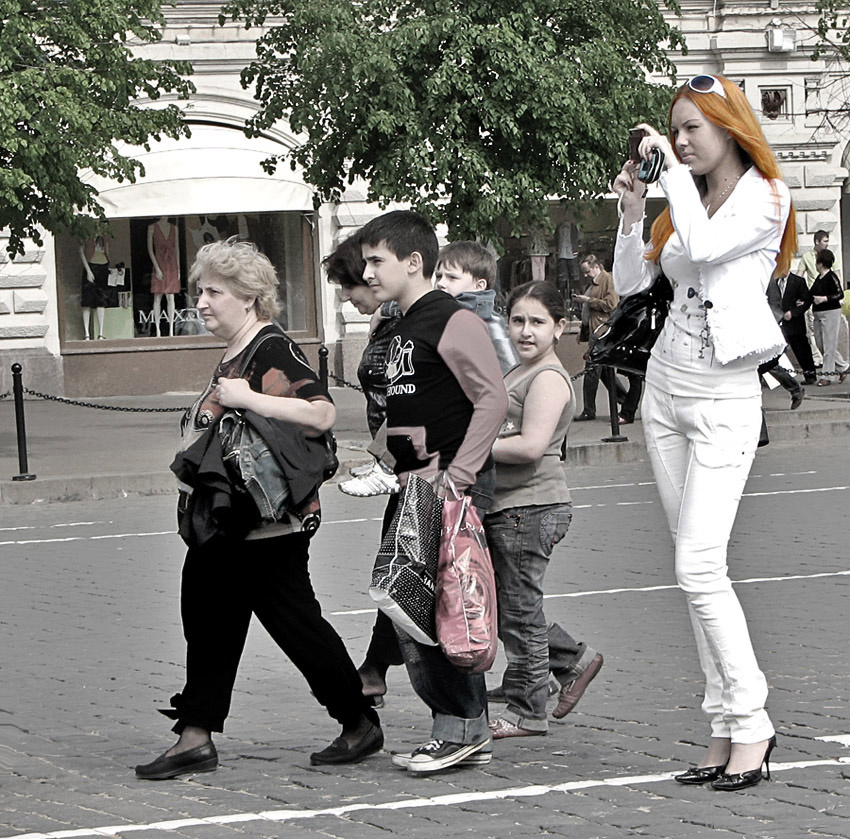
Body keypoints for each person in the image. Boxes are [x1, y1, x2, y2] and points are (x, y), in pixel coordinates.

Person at [135, 238, 381, 780]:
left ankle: (357, 719)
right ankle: (195, 735)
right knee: (209, 618)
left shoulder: (271, 348)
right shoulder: (238, 350)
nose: (201, 301)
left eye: (213, 292)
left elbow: (321, 413)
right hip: (231, 521)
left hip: (268, 524)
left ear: (248, 298)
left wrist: (247, 398)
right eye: (200, 290)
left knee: (295, 625)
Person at [612, 73, 795, 791]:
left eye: (693, 128)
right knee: (693, 574)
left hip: (723, 396)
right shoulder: (682, 198)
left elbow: (709, 246)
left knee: (699, 566)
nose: (680, 141)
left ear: (729, 126)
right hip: (664, 391)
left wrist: (670, 182)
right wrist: (633, 214)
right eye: (674, 130)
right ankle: (723, 725)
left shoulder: (767, 196)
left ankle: (752, 721)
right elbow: (632, 284)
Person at [359, 210, 508, 773]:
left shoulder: (452, 319)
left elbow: (492, 399)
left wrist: (459, 477)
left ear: (413, 261)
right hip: (415, 485)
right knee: (413, 606)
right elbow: (413, 405)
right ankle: (461, 726)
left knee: (443, 607)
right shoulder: (405, 323)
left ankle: (461, 727)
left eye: (377, 261)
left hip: (444, 487)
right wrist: (383, 460)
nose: (368, 273)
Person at [484, 281, 603, 739]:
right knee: (505, 605)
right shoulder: (522, 370)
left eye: (537, 322)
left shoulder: (548, 378)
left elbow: (531, 446)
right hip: (511, 504)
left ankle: (528, 709)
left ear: (560, 327)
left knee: (518, 610)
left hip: (530, 505)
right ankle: (567, 663)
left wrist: (469, 448)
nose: (526, 331)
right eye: (517, 320)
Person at [323, 234, 401, 497]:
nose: (345, 296)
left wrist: (387, 309)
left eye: (349, 285)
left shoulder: (403, 320)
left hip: (410, 466)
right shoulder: (387, 321)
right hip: (397, 466)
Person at [574, 254, 643, 424]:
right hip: (596, 330)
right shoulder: (594, 283)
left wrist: (588, 300)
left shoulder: (607, 280)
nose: (585, 275)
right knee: (604, 372)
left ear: (596, 267)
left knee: (592, 371)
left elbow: (611, 304)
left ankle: (589, 409)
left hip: (603, 332)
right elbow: (588, 314)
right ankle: (623, 399)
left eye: (587, 271)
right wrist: (582, 331)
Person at [434, 240, 518, 374]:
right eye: (439, 276)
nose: (441, 283)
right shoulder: (436, 314)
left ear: (479, 286)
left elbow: (509, 371)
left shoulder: (488, 322)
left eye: (452, 277)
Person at [769, 271, 815, 386]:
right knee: (775, 351)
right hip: (779, 322)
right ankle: (772, 376)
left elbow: (807, 300)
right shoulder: (775, 282)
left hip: (795, 323)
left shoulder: (798, 281)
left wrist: (793, 312)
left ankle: (810, 374)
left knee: (802, 350)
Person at [796, 230, 834, 368]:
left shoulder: (830, 256)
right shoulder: (807, 257)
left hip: (828, 302)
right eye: (825, 241)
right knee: (813, 332)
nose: (827, 244)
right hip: (812, 300)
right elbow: (799, 276)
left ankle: (837, 364)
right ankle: (818, 358)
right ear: (817, 242)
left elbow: (836, 275)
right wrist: (798, 295)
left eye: (828, 241)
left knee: (827, 336)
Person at [811, 249, 849, 386]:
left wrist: (824, 298)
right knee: (821, 344)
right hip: (818, 314)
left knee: (829, 345)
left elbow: (840, 294)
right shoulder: (819, 278)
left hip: (831, 312)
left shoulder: (831, 276)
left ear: (820, 263)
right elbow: (811, 293)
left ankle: (826, 376)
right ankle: (843, 367)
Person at [147, 217, 181, 337]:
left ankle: (171, 329)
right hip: (159, 262)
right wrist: (156, 267)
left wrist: (178, 268)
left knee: (170, 297)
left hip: (171, 264)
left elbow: (176, 248)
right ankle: (158, 330)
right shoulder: (152, 227)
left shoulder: (174, 228)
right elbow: (150, 249)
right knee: (158, 296)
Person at [79, 236, 111, 340]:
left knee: (101, 300)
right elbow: (81, 251)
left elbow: (107, 249)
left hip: (103, 266)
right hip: (91, 266)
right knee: (87, 300)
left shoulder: (105, 235)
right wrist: (88, 270)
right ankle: (87, 333)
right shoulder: (86, 233)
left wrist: (108, 264)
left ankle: (101, 333)